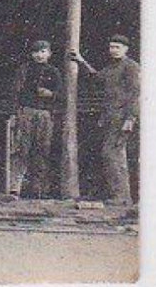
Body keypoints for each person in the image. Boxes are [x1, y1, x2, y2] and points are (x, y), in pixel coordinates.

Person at [73, 35, 140, 205]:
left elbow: (135, 94)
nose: (113, 50)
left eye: (117, 47)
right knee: (111, 154)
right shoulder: (112, 68)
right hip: (110, 116)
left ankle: (122, 196)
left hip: (122, 116)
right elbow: (96, 78)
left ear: (126, 49)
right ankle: (119, 195)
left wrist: (130, 118)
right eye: (111, 47)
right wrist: (81, 61)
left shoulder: (131, 67)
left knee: (113, 154)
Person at [8, 39, 62, 199]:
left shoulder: (54, 72)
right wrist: (15, 113)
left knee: (42, 150)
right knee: (21, 149)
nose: (39, 55)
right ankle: (15, 188)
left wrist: (51, 94)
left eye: (43, 51)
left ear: (49, 54)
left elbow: (62, 94)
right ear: (32, 54)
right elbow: (16, 92)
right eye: (36, 52)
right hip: (26, 112)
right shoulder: (24, 70)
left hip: (45, 114)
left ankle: (39, 190)